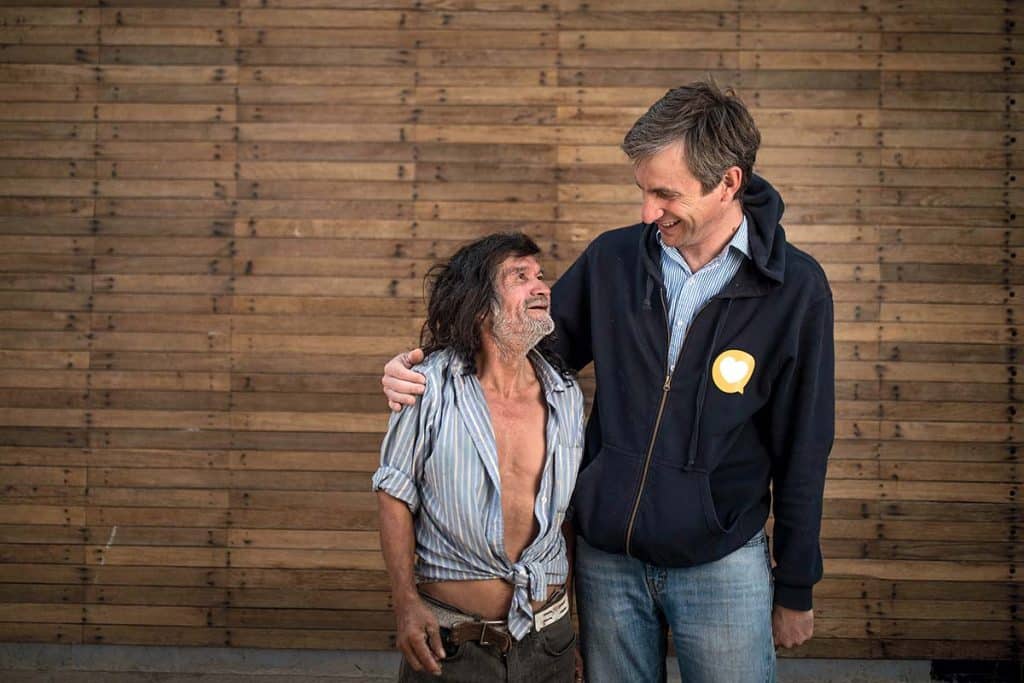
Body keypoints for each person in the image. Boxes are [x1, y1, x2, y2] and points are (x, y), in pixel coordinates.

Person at [383, 81, 834, 682]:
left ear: (728, 182)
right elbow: (521, 353)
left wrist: (797, 584)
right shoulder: (614, 260)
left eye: (665, 194)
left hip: (722, 564)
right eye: (643, 191)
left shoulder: (796, 290)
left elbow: (805, 445)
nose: (648, 212)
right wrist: (424, 367)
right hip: (607, 563)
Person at [373, 232, 585, 682]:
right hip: (453, 643)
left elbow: (565, 518)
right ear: (481, 304)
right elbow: (393, 497)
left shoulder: (565, 395)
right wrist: (406, 605)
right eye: (520, 276)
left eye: (541, 275)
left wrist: (575, 629)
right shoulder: (427, 387)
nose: (542, 286)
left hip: (549, 642)